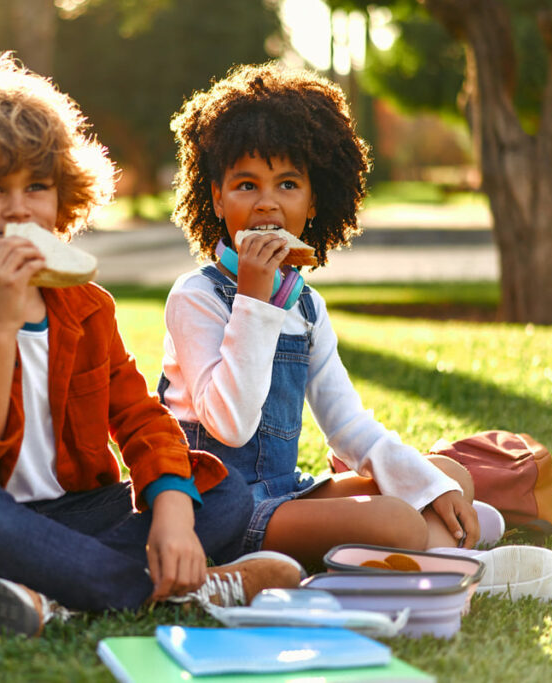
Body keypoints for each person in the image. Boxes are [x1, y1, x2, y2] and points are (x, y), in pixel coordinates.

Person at [0, 54, 304, 637]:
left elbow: (140, 417)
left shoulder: (87, 306)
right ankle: (187, 590)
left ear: (64, 196)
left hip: (76, 512)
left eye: (37, 186)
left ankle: (49, 593)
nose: (17, 208)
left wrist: (174, 513)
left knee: (220, 491)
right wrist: (1, 323)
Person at [158, 62, 481, 569]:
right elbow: (232, 426)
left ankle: (440, 543)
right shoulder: (195, 296)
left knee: (444, 474)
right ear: (216, 197)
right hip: (219, 509)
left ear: (313, 203)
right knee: (396, 521)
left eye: (288, 184)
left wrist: (429, 484)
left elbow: (348, 424)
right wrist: (254, 301)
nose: (267, 203)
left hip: (286, 494)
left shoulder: (305, 305)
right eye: (246, 185)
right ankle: (438, 550)